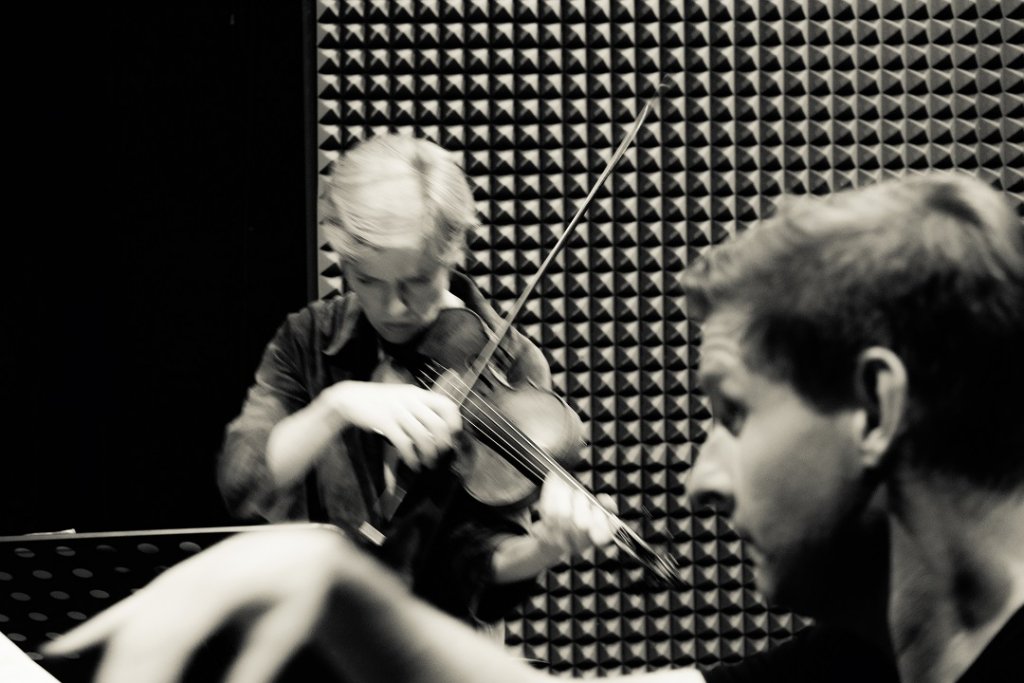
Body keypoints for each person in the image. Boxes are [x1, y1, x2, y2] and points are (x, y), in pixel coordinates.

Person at [43, 171, 1023, 682]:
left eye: (730, 414)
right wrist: (326, 580)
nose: (697, 476)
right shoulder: (858, 663)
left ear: (875, 408)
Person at [214, 132, 615, 629]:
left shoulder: (510, 364)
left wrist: (542, 550)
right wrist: (335, 406)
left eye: (418, 281)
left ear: (455, 250)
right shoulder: (308, 338)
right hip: (319, 644)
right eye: (367, 281)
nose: (393, 307)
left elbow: (475, 571)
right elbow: (242, 484)